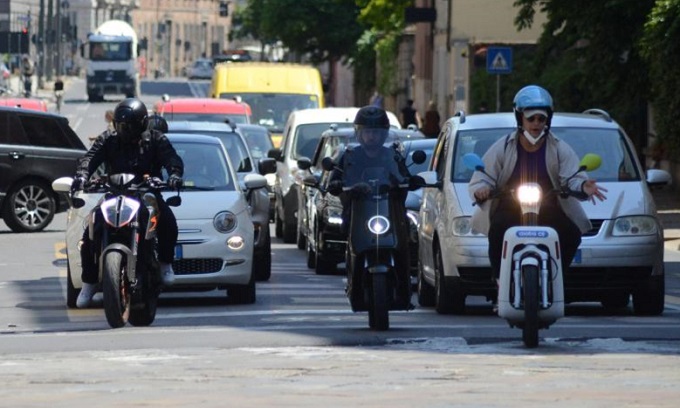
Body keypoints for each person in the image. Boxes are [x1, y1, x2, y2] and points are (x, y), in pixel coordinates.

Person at [467, 85, 607, 306]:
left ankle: (554, 276)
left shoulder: (559, 147)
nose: (536, 124)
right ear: (520, 118)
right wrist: (482, 189)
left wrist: (582, 186)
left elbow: (571, 176)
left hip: (547, 207)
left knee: (571, 234)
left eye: (541, 119)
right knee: (497, 229)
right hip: (510, 206)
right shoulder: (503, 146)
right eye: (531, 118)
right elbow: (483, 176)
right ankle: (499, 279)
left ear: (547, 120)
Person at [72, 98, 184, 308]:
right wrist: (81, 176)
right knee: (90, 229)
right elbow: (89, 159)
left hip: (146, 193)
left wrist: (175, 174)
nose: (124, 129)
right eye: (120, 125)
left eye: (129, 125)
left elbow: (172, 158)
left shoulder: (156, 139)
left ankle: (166, 264)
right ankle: (89, 282)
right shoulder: (108, 139)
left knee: (168, 221)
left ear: (141, 123)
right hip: (115, 193)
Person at [327, 105, 416, 308]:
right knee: (345, 228)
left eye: (376, 132)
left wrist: (408, 181)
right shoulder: (349, 156)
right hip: (359, 210)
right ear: (359, 133)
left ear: (384, 134)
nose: (372, 137)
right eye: (367, 132)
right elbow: (336, 178)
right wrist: (337, 184)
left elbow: (404, 176)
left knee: (407, 237)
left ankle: (405, 290)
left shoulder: (392, 156)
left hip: (389, 211)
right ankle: (353, 278)